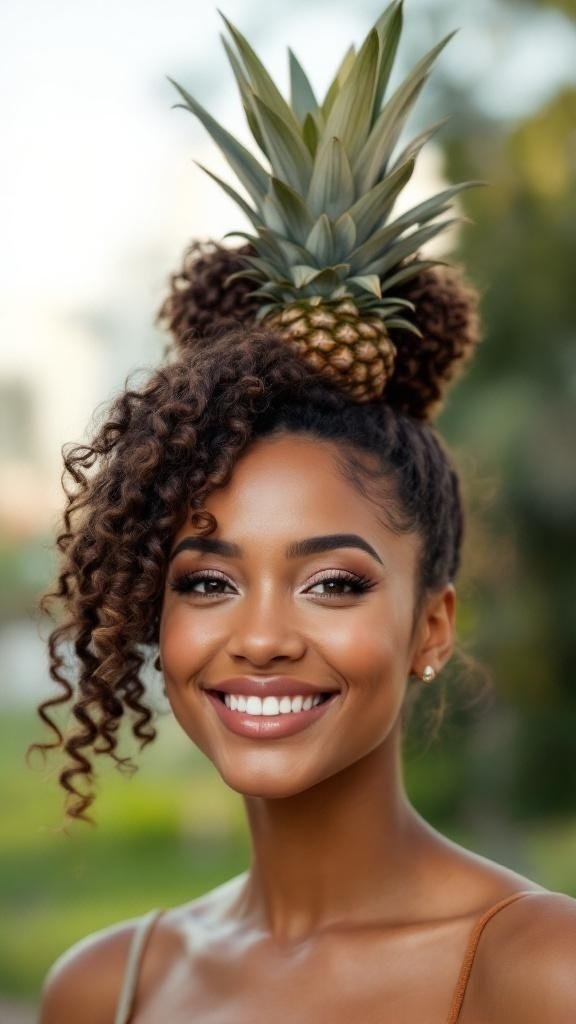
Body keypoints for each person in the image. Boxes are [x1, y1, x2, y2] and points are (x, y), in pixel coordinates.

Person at [35, 4, 576, 1022]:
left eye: (334, 581)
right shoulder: (105, 987)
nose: (264, 635)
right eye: (206, 580)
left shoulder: (540, 973)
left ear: (431, 626)